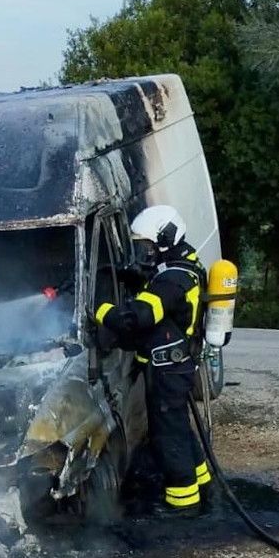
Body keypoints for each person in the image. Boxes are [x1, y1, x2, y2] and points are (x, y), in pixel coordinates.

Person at [93, 205, 211, 515]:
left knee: (167, 435)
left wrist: (99, 311)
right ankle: (203, 484)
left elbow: (138, 318)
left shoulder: (170, 281)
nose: (143, 253)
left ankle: (183, 505)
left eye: (146, 246)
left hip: (167, 369)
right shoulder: (183, 264)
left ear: (165, 239)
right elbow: (156, 290)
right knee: (179, 428)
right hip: (177, 365)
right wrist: (131, 278)